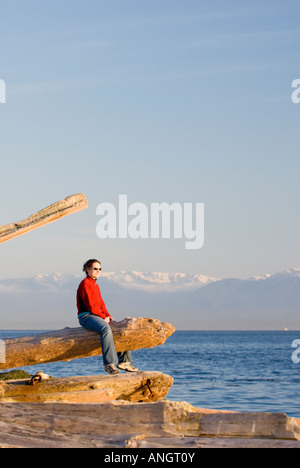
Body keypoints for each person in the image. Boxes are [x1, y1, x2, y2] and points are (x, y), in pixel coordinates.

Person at [77, 259, 138, 375]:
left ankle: (125, 361)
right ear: (87, 269)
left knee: (120, 328)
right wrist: (102, 317)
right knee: (105, 329)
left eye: (100, 269)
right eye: (95, 268)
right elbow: (91, 306)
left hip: (97, 315)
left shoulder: (95, 285)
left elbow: (101, 304)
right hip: (86, 316)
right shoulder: (85, 283)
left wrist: (108, 316)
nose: (98, 271)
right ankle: (109, 364)